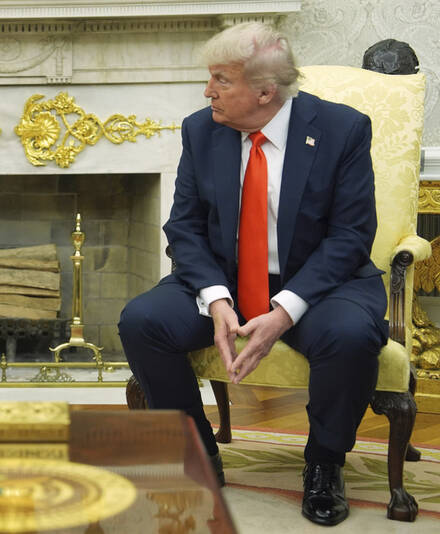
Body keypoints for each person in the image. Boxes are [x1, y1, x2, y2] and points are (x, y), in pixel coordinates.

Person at [119, 22, 387, 526]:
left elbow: (350, 236)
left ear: (265, 91)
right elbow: (184, 226)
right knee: (143, 321)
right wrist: (217, 298)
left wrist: (284, 311)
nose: (208, 91)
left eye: (221, 79)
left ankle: (324, 463)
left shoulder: (343, 130)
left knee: (350, 335)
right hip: (227, 279)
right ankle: (197, 451)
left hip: (319, 283)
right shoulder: (202, 130)